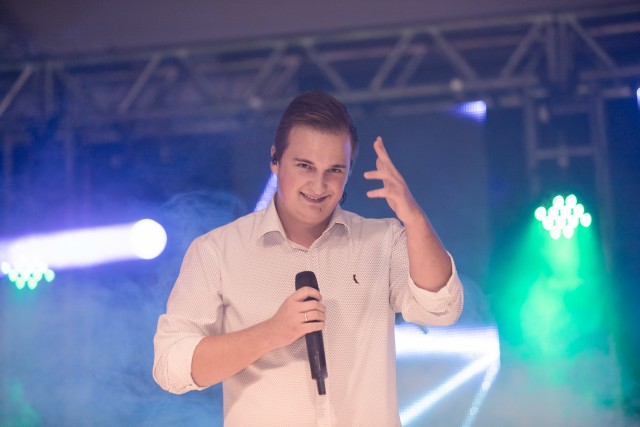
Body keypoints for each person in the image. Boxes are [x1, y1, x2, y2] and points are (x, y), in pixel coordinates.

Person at [153, 91, 464, 426]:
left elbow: (441, 308)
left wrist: (414, 217)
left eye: (334, 170)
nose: (319, 185)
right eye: (304, 166)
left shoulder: (383, 241)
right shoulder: (217, 251)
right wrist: (272, 332)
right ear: (275, 159)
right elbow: (170, 367)